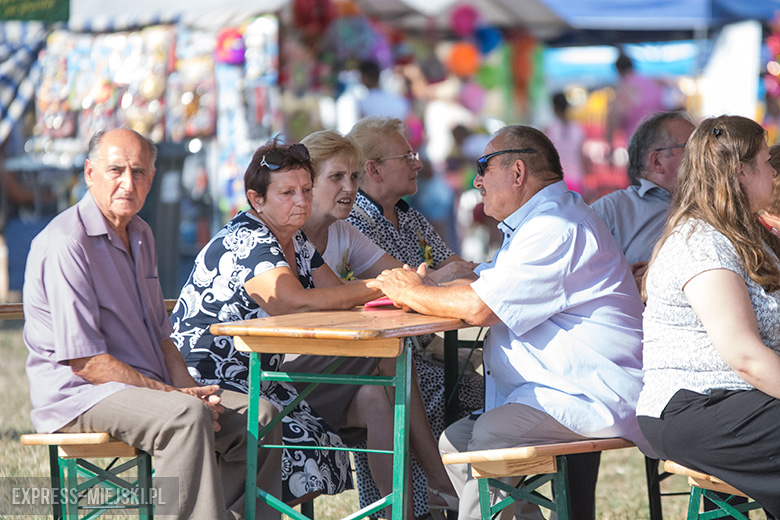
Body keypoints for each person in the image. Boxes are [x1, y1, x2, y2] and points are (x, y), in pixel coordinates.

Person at [368, 124, 650, 520]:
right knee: (456, 441)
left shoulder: (555, 227)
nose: (477, 180)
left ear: (517, 173)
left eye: (484, 167)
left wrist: (411, 290)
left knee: (487, 440)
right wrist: (445, 279)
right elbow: (491, 284)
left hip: (589, 393)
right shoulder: (542, 221)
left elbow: (482, 308)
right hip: (560, 388)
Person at [22, 128, 282, 520]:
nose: (128, 183)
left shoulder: (141, 232)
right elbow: (87, 363)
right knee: (186, 417)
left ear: (152, 180)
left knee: (261, 416)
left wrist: (187, 389)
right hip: (79, 396)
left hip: (144, 388)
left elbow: (163, 337)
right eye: (116, 170)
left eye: (139, 172)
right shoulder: (65, 243)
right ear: (89, 173)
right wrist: (176, 397)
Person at [170, 138, 381, 506]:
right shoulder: (249, 238)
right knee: (302, 452)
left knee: (325, 448)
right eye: (287, 193)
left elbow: (336, 296)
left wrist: (377, 290)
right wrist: (379, 286)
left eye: (306, 190)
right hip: (204, 381)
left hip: (258, 377)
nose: (301, 201)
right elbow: (293, 304)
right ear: (257, 199)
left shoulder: (295, 239)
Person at [283, 129, 459, 519]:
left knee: (376, 398)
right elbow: (306, 305)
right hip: (273, 375)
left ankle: (401, 514)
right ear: (307, 182)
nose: (349, 187)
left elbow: (401, 279)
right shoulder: (283, 233)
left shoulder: (343, 231)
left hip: (328, 365)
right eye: (337, 178)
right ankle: (440, 481)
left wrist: (421, 281)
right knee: (394, 359)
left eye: (354, 178)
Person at [637, 115, 780, 517]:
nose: (773, 172)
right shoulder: (702, 244)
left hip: (733, 400)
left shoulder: (744, 236)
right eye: (766, 162)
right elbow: (745, 357)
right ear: (739, 171)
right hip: (696, 407)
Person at [347, 116, 483, 517]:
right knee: (436, 385)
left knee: (477, 386)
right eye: (406, 156)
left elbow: (455, 266)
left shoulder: (408, 215)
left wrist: (434, 282)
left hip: (423, 346)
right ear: (372, 169)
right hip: (379, 355)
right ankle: (425, 502)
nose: (417, 163)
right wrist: (436, 281)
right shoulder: (355, 222)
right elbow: (395, 292)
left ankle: (466, 496)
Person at [591, 111, 695, 287]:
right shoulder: (612, 209)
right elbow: (576, 278)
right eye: (692, 147)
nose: (705, 155)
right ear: (657, 162)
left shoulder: (717, 204)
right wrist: (624, 281)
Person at [607, 52, 667, 147]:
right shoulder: (653, 83)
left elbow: (613, 119)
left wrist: (610, 147)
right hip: (662, 138)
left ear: (618, 71)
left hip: (638, 143)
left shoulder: (624, 88)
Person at [545, 92, 587, 194]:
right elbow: (583, 158)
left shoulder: (549, 129)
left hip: (556, 181)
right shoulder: (578, 129)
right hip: (576, 179)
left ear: (554, 108)